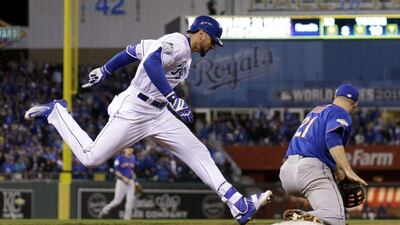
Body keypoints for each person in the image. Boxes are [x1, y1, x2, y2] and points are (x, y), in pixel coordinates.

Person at [24, 15, 272, 224]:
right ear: (202, 33)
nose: (213, 46)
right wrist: (173, 97)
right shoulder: (176, 42)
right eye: (213, 41)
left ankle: (238, 203)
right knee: (91, 158)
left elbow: (132, 51)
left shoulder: (174, 48)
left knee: (197, 151)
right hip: (134, 110)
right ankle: (57, 112)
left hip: (158, 114)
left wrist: (105, 70)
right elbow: (152, 63)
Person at [279, 83, 368, 225]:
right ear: (356, 104)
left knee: (323, 218)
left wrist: (338, 172)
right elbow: (331, 137)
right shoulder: (340, 112)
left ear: (334, 96)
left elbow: (319, 146)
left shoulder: (317, 110)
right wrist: (347, 170)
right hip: (311, 171)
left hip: (287, 173)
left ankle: (302, 219)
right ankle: (297, 220)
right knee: (336, 218)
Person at [99, 147, 137, 220]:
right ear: (124, 150)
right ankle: (105, 210)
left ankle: (127, 219)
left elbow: (132, 171)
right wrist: (123, 178)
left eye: (132, 148)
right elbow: (116, 171)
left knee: (130, 200)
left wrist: (135, 181)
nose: (130, 150)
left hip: (130, 181)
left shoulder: (133, 158)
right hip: (121, 181)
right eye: (128, 148)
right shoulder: (119, 158)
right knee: (117, 201)